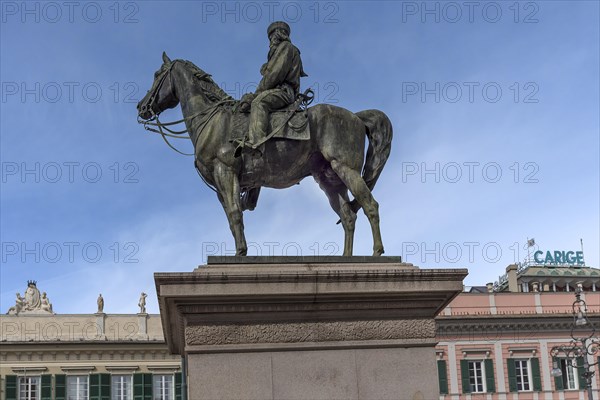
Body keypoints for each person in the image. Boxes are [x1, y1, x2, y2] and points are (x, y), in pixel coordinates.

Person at [238, 21, 307, 154]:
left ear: (280, 34)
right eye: (270, 38)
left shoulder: (286, 48)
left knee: (258, 103)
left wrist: (255, 95)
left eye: (273, 36)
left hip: (284, 92)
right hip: (278, 90)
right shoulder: (277, 52)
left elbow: (274, 76)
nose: (271, 40)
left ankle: (257, 144)